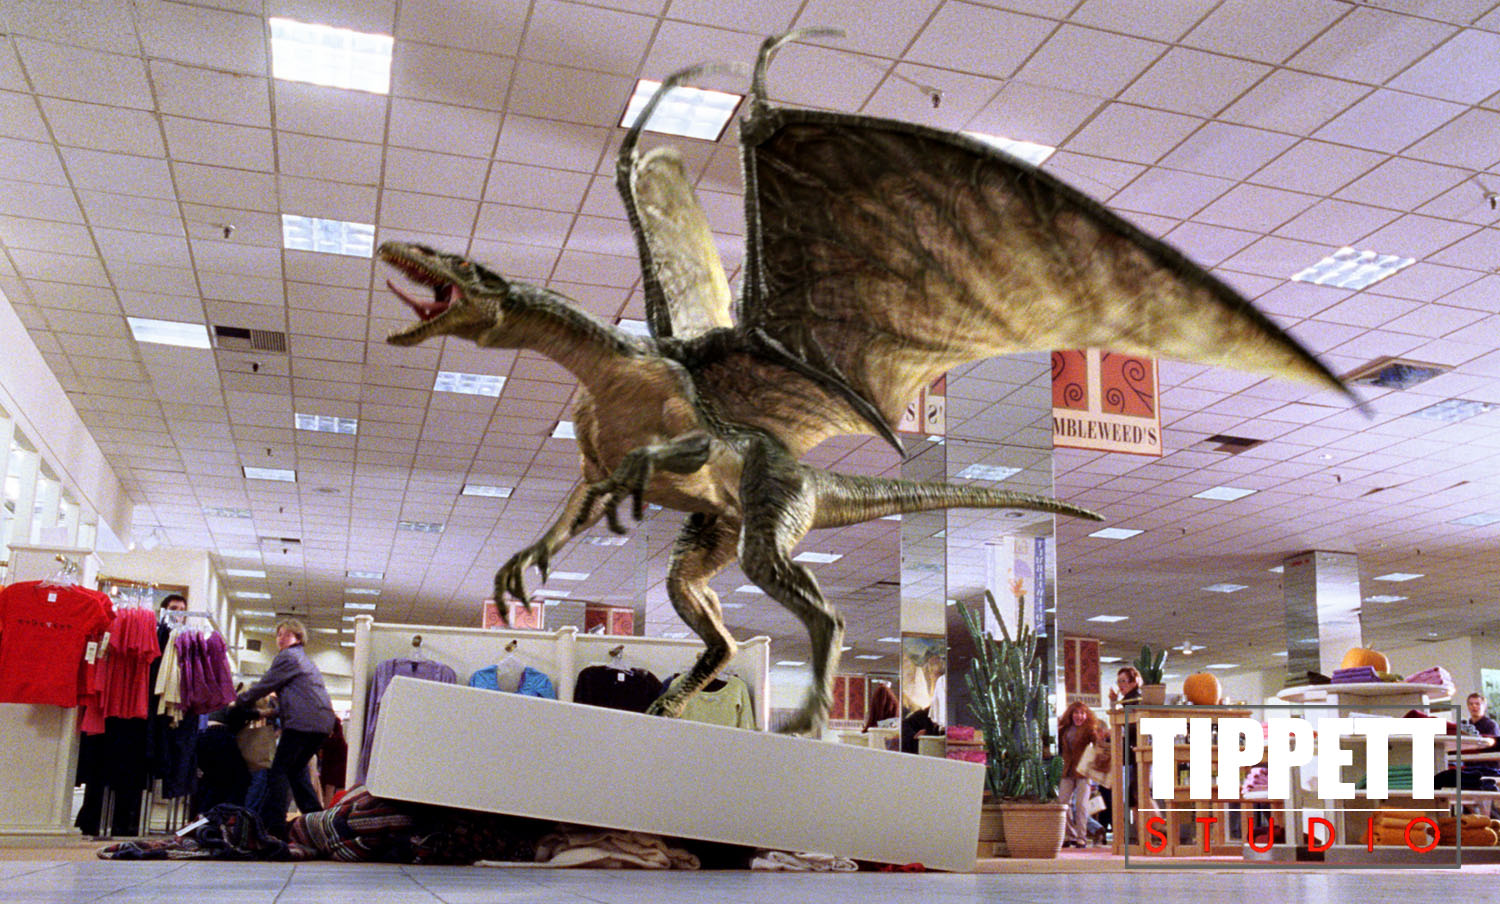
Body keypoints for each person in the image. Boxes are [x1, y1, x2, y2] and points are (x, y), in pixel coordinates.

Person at [233, 618, 336, 836]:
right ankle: (317, 824)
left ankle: (275, 828)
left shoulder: (288, 656)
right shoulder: (305, 660)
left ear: (298, 637)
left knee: (278, 771)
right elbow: (300, 696)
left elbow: (266, 684)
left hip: (303, 724)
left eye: (286, 634)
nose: (280, 638)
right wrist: (276, 712)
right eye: (278, 634)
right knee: (297, 772)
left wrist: (238, 702)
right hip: (321, 724)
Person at [1057, 700, 1099, 848]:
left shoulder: (1090, 730)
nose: (1079, 716)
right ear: (1071, 714)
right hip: (1067, 770)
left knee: (1081, 805)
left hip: (1083, 771)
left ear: (1087, 715)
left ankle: (1081, 837)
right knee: (1063, 803)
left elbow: (1098, 746)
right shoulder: (1064, 730)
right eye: (1076, 712)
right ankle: (1069, 835)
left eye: (1082, 713)